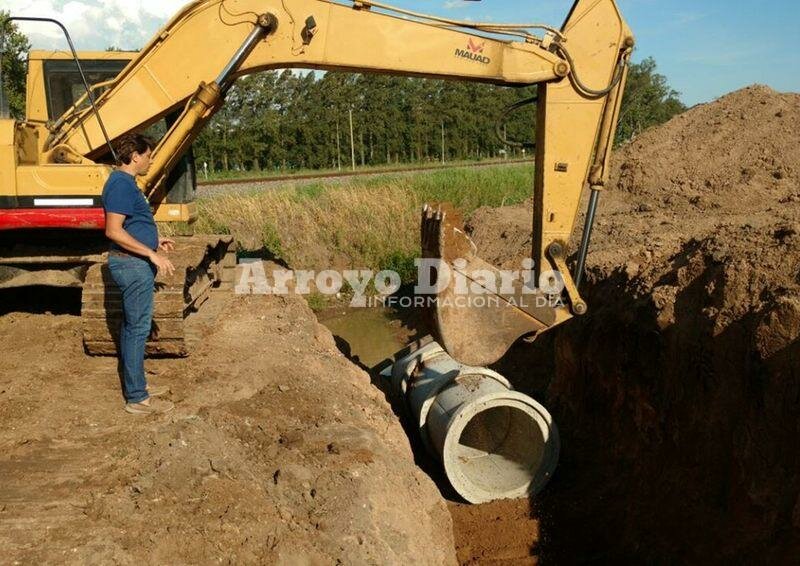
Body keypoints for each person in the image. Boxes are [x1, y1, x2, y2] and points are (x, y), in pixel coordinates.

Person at [102, 132, 176, 414]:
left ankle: (137, 382)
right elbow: (113, 230)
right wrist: (150, 253)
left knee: (131, 325)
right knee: (137, 328)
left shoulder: (126, 183)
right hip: (132, 265)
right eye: (149, 155)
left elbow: (131, 224)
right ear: (135, 156)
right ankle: (136, 397)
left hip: (134, 261)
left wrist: (155, 240)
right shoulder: (120, 185)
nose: (151, 159)